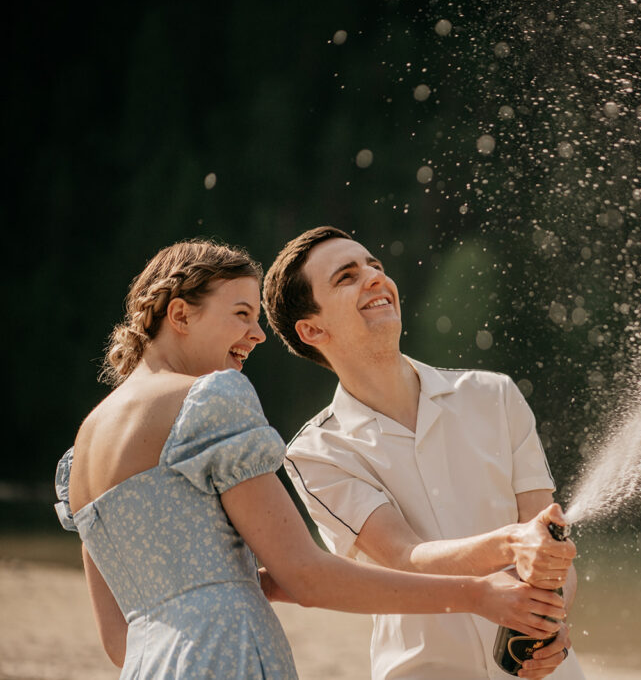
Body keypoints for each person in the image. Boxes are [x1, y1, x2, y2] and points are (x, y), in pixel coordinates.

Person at [54, 239, 565, 679]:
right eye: (240, 315)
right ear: (181, 314)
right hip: (229, 657)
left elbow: (119, 638)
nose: (256, 336)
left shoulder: (81, 452)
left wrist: (233, 585)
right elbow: (307, 574)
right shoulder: (210, 397)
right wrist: (478, 595)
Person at [262, 226, 586, 679]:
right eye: (347, 277)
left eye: (375, 265)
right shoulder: (317, 454)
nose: (375, 277)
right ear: (312, 329)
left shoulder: (496, 395)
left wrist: (550, 621)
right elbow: (403, 556)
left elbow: (550, 542)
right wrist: (512, 542)